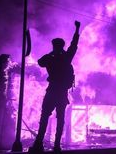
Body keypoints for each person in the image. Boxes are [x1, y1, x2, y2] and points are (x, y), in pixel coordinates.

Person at [29, 21, 81, 153]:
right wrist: (77, 29)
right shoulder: (66, 57)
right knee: (60, 118)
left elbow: (40, 62)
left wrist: (51, 54)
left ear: (54, 46)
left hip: (53, 90)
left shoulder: (52, 57)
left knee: (45, 116)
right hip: (61, 92)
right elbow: (74, 45)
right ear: (62, 46)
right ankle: (56, 145)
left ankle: (39, 143)